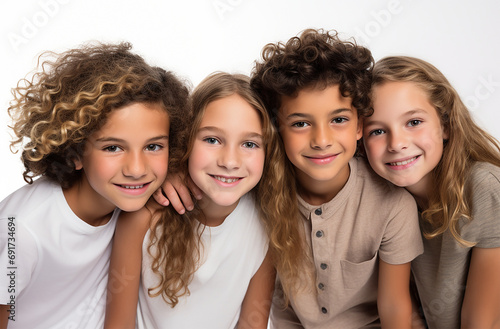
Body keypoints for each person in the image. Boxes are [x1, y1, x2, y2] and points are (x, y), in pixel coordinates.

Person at [0, 42, 189, 329]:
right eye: (113, 148)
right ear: (75, 152)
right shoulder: (23, 230)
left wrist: (175, 170)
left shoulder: (129, 196)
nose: (137, 169)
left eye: (153, 146)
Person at [104, 72, 301, 329]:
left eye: (250, 144)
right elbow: (118, 324)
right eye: (211, 140)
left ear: (268, 152)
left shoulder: (268, 223)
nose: (229, 161)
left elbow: (252, 323)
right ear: (185, 140)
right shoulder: (144, 217)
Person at [362, 56, 500, 329]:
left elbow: (482, 321)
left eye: (413, 122)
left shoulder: (483, 187)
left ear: (446, 125)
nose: (397, 144)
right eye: (377, 130)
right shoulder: (385, 202)